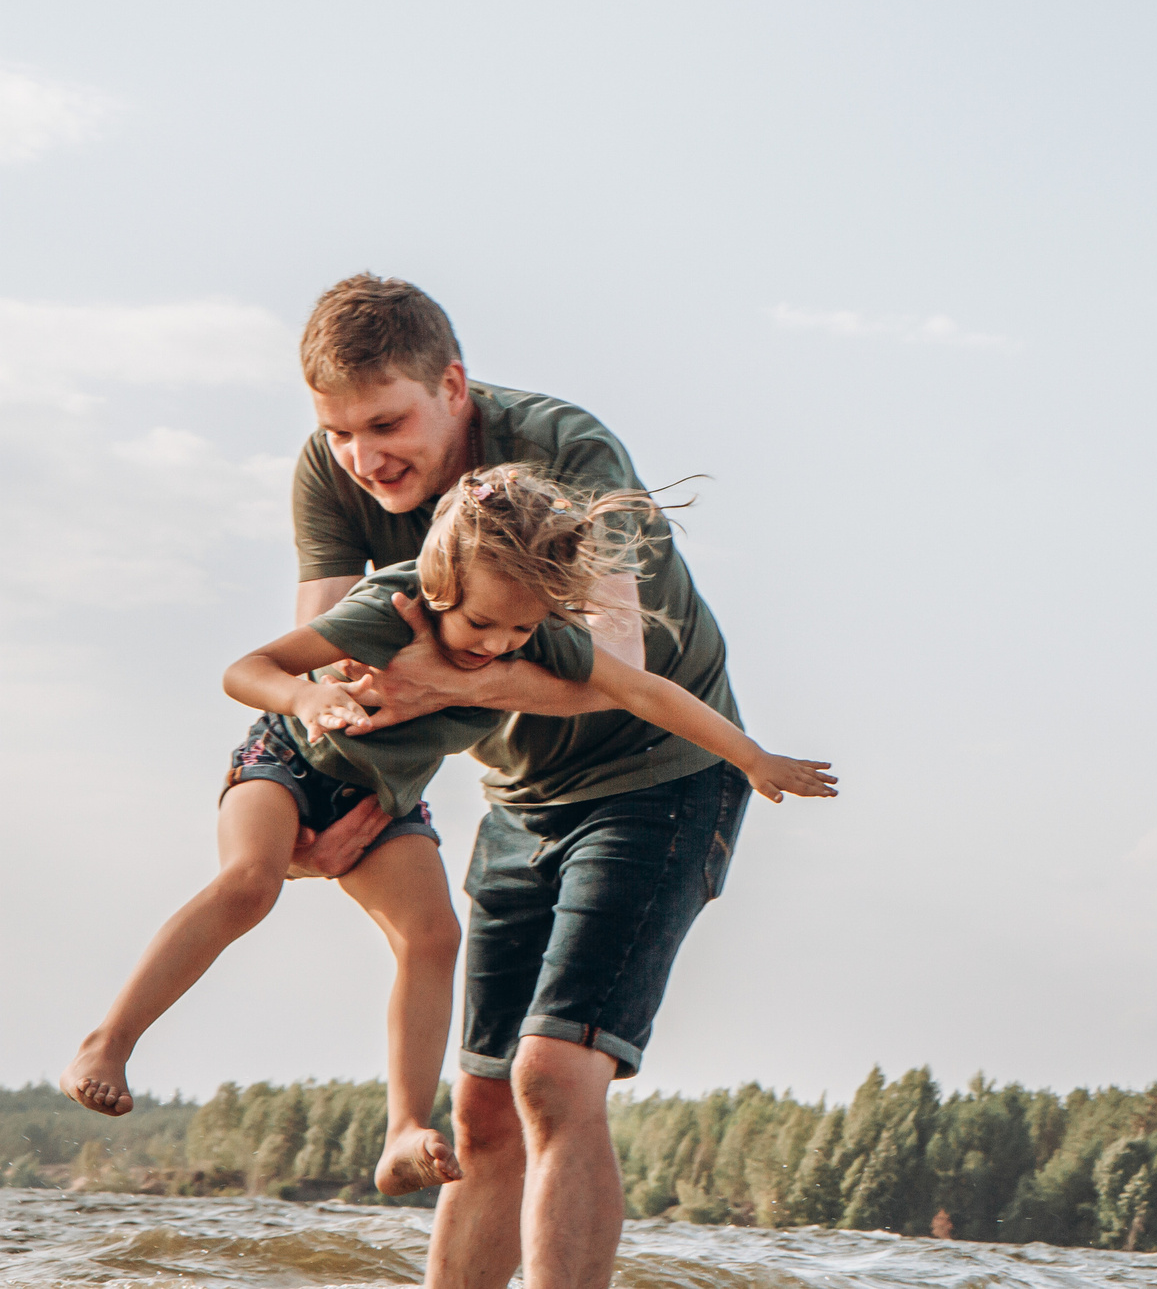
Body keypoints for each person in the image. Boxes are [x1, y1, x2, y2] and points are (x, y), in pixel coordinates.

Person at [56, 466, 836, 1197]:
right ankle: (108, 1042)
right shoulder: (385, 609)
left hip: (383, 798)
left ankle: (402, 1128)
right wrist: (304, 698)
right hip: (288, 761)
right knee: (250, 884)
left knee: (432, 937)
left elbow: (643, 691)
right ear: (439, 585)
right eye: (481, 621)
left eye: (520, 628)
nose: (497, 645)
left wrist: (752, 756)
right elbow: (248, 668)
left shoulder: (534, 631)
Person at [283, 274, 777, 1289]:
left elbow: (615, 666)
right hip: (519, 799)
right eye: (339, 432)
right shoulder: (334, 475)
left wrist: (433, 687)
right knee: (481, 1108)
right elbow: (323, 672)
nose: (364, 457)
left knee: (552, 1074)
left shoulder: (564, 451)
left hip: (659, 776)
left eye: (387, 423)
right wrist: (319, 807)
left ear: (453, 386)